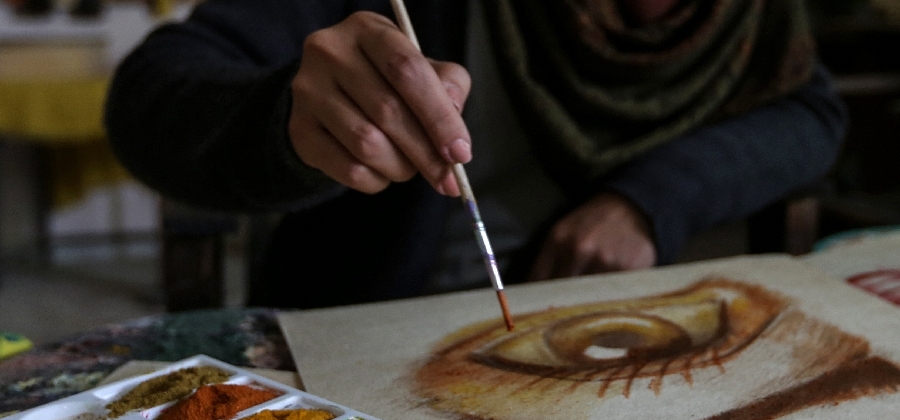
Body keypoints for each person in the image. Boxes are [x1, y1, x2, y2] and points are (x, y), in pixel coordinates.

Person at [105, 0, 847, 309]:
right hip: (364, 342)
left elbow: (809, 111)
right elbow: (148, 98)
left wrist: (649, 202)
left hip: (598, 343)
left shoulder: (744, 19)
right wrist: (294, 124)